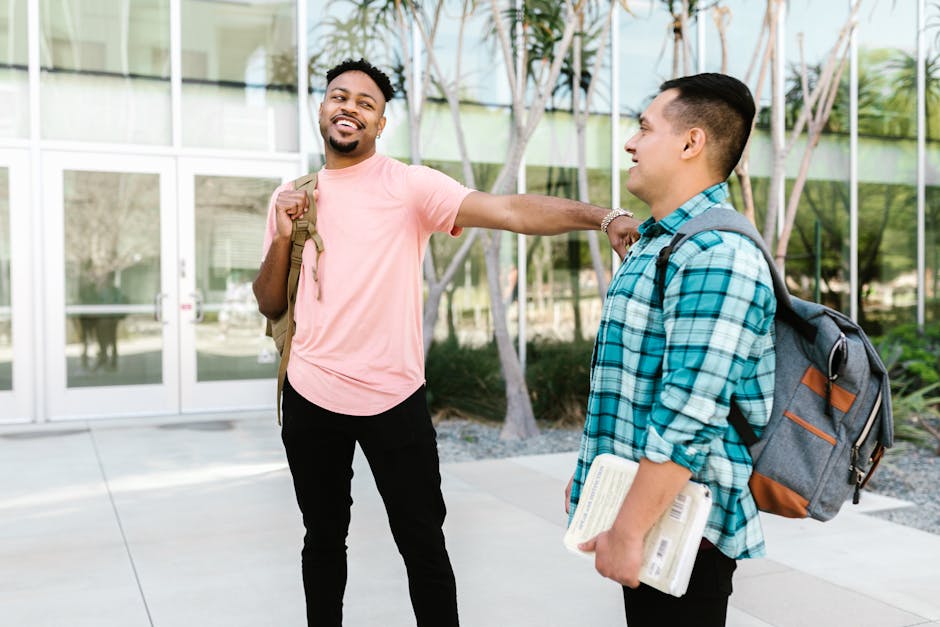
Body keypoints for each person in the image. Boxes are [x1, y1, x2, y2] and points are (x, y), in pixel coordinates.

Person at [252, 57, 640, 627]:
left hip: (393, 399)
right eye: (340, 96)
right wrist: (284, 235)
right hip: (311, 395)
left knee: (423, 546)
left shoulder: (409, 185)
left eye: (366, 103)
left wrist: (603, 217)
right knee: (323, 541)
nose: (349, 108)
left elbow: (508, 210)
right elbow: (268, 300)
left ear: (381, 124)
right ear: (322, 107)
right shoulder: (294, 196)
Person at [565, 73, 776, 627]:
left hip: (683, 531)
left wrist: (629, 529)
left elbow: (691, 412)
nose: (631, 143)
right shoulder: (660, 241)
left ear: (691, 143)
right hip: (648, 508)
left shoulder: (715, 253)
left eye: (644, 128)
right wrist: (595, 474)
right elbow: (635, 381)